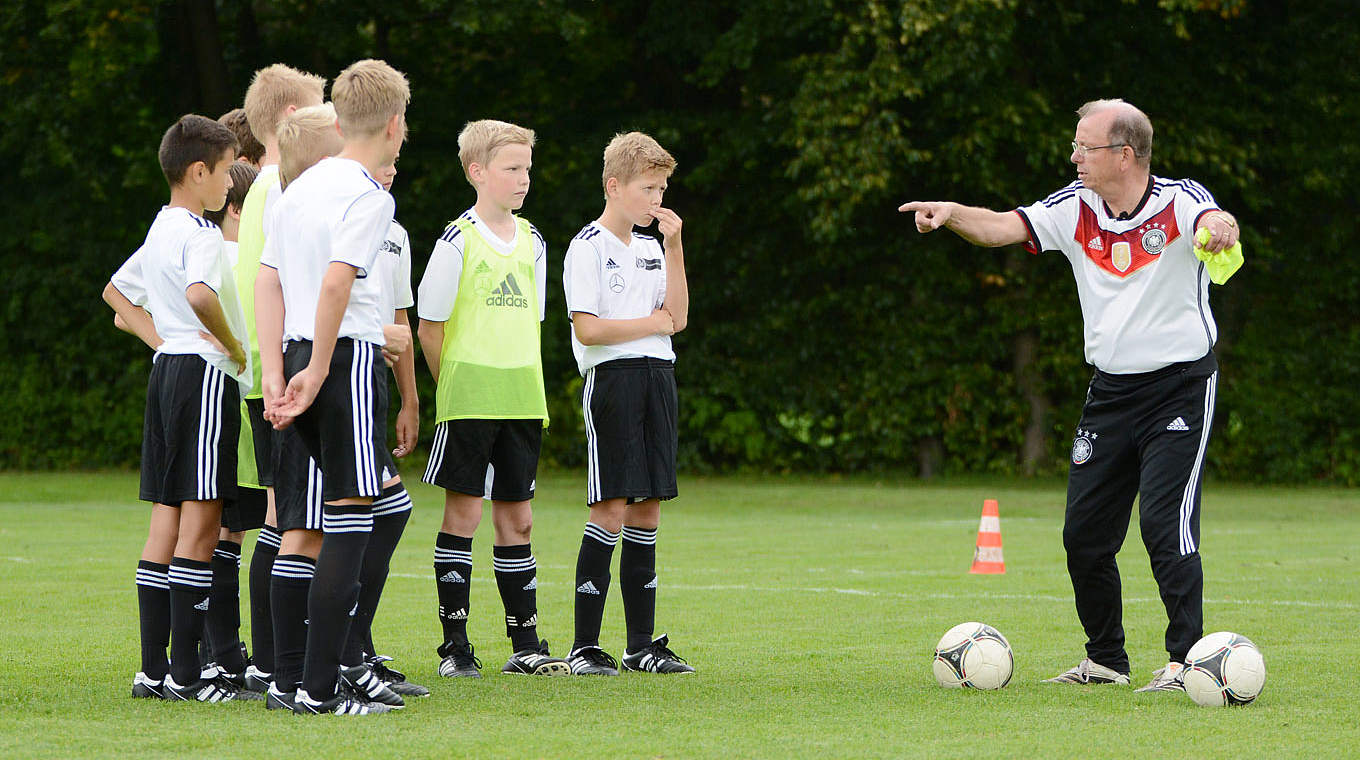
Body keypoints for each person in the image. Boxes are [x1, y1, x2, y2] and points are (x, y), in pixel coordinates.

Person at [898, 98, 1241, 693]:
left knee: (1166, 526)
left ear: (1124, 154)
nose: (1074, 156)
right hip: (1110, 393)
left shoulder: (1181, 201)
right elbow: (1004, 226)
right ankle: (1106, 661)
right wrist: (952, 212)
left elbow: (1219, 224)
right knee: (1084, 535)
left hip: (1180, 389)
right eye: (1076, 146)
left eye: (1085, 146)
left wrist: (1219, 230)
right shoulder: (1075, 206)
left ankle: (1189, 663)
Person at [256, 58, 410, 716]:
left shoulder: (296, 189)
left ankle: (291, 682)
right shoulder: (370, 195)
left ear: (340, 118)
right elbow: (337, 282)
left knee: (308, 521)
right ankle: (323, 690)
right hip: (342, 359)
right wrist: (320, 368)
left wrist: (276, 368)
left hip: (294, 351)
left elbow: (269, 281)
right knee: (350, 519)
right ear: (395, 124)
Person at [102, 114, 251, 702]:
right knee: (203, 521)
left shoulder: (162, 225)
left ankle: (153, 671)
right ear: (198, 172)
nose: (228, 185)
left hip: (167, 375)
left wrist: (161, 342)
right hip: (204, 379)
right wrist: (232, 345)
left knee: (165, 518)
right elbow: (198, 294)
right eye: (223, 173)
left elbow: (116, 293)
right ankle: (190, 677)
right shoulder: (202, 233)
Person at [417, 119, 567, 678]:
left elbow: (532, 321)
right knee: (465, 514)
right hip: (471, 400)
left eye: (527, 168)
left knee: (519, 522)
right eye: (512, 168)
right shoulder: (457, 239)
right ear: (478, 172)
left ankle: (526, 646)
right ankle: (455, 647)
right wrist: (451, 386)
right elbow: (429, 325)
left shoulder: (535, 241)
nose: (524, 178)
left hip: (522, 398)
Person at [561, 131, 694, 676]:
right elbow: (589, 331)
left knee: (648, 507)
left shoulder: (650, 246)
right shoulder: (586, 246)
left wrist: (675, 246)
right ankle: (584, 646)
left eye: (662, 188)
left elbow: (678, 318)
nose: (657, 199)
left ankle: (641, 644)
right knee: (611, 505)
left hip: (658, 376)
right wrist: (649, 324)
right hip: (612, 381)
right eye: (648, 188)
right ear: (614, 186)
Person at [235, 63, 327, 695]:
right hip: (284, 372)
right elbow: (273, 281)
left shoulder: (269, 187)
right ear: (293, 120)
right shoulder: (280, 187)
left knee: (281, 512)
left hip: (270, 370)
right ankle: (277, 662)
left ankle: (275, 659)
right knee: (286, 515)